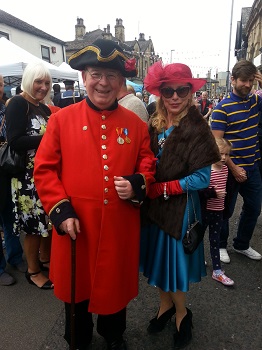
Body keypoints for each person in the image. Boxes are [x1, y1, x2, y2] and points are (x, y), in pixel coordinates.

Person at [33, 38, 156, 350]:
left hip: (118, 226)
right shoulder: (61, 120)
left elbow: (147, 160)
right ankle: (78, 339)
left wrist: (138, 181)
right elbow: (44, 169)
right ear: (84, 77)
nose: (104, 83)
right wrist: (60, 210)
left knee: (114, 288)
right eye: (96, 74)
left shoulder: (136, 124)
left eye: (111, 76)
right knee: (77, 288)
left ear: (121, 81)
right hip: (77, 225)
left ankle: (114, 335)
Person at [139, 61, 220, 349]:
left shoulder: (197, 128)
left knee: (172, 267)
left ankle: (183, 313)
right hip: (155, 208)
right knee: (159, 263)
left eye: (181, 90)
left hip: (180, 210)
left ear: (190, 92)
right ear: (160, 93)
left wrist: (163, 187)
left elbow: (200, 179)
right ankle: (165, 307)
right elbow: (148, 157)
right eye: (168, 90)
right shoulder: (156, 122)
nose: (174, 96)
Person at [5, 62, 54, 289]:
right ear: (28, 81)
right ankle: (33, 271)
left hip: (44, 175)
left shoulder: (42, 107)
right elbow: (15, 141)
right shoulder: (18, 103)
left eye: (47, 82)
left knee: (46, 221)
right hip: (26, 178)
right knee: (34, 226)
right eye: (38, 82)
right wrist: (49, 138)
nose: (43, 87)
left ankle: (44, 260)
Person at [211, 59, 262, 264]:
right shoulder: (222, 109)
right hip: (230, 169)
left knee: (254, 208)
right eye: (243, 80)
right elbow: (217, 144)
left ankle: (241, 244)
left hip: (253, 166)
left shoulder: (256, 102)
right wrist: (233, 168)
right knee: (224, 210)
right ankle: (221, 245)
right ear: (232, 80)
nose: (248, 85)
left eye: (251, 80)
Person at [0, 74, 27, 286]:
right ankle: (0, 269)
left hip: (5, 171)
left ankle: (15, 257)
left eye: (0, 84)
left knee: (10, 217)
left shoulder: (5, 108)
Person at [198, 138, 234, 286]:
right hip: (205, 211)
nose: (224, 158)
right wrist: (213, 193)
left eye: (226, 154)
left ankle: (217, 271)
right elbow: (199, 191)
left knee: (215, 240)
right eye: (220, 154)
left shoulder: (226, 169)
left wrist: (226, 209)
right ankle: (197, 261)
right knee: (198, 237)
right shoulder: (205, 170)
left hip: (218, 211)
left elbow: (229, 190)